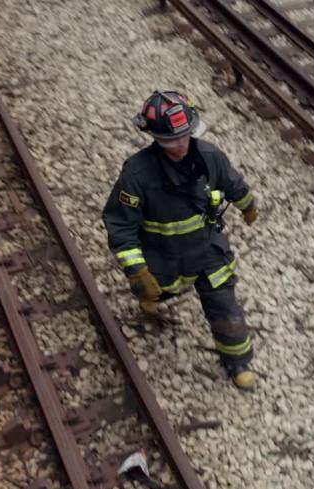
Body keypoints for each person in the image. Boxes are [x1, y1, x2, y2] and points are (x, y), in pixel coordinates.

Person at [102, 90, 259, 389]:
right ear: (154, 138)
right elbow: (120, 224)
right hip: (163, 255)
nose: (180, 145)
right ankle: (153, 298)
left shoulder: (209, 157)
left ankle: (237, 361)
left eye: (185, 136)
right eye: (170, 141)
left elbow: (232, 182)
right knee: (157, 288)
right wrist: (137, 270)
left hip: (208, 248)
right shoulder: (137, 175)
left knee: (225, 306)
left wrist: (247, 204)